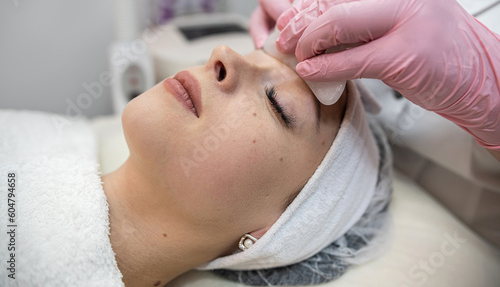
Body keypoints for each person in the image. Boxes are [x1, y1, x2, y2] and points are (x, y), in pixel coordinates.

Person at [0, 45, 392, 286]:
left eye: (277, 104)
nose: (223, 53)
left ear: (272, 235)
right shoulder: (35, 138)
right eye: (253, 52)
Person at [249, 0, 500, 247]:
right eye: (274, 101)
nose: (222, 54)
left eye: (279, 107)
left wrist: (489, 91)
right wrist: (303, 14)